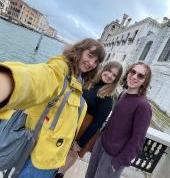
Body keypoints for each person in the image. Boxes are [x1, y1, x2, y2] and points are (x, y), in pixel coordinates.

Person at [0, 38, 105, 178]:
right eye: (90, 55)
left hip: (53, 159)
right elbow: (36, 80)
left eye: (96, 61)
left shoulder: (79, 80)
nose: (91, 63)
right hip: (40, 158)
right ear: (79, 51)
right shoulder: (60, 70)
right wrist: (7, 82)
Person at [55, 60, 123, 178]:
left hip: (84, 128)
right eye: (109, 71)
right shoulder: (90, 82)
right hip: (72, 121)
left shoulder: (107, 98)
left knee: (71, 153)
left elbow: (97, 123)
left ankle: (59, 174)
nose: (110, 76)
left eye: (114, 76)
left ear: (116, 80)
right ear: (104, 69)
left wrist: (81, 143)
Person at [85, 61, 152, 178]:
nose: (134, 76)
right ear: (128, 72)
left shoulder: (143, 106)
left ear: (145, 81)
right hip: (100, 146)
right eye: (133, 72)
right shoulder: (123, 94)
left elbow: (137, 141)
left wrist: (117, 163)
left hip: (113, 157)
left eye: (140, 75)